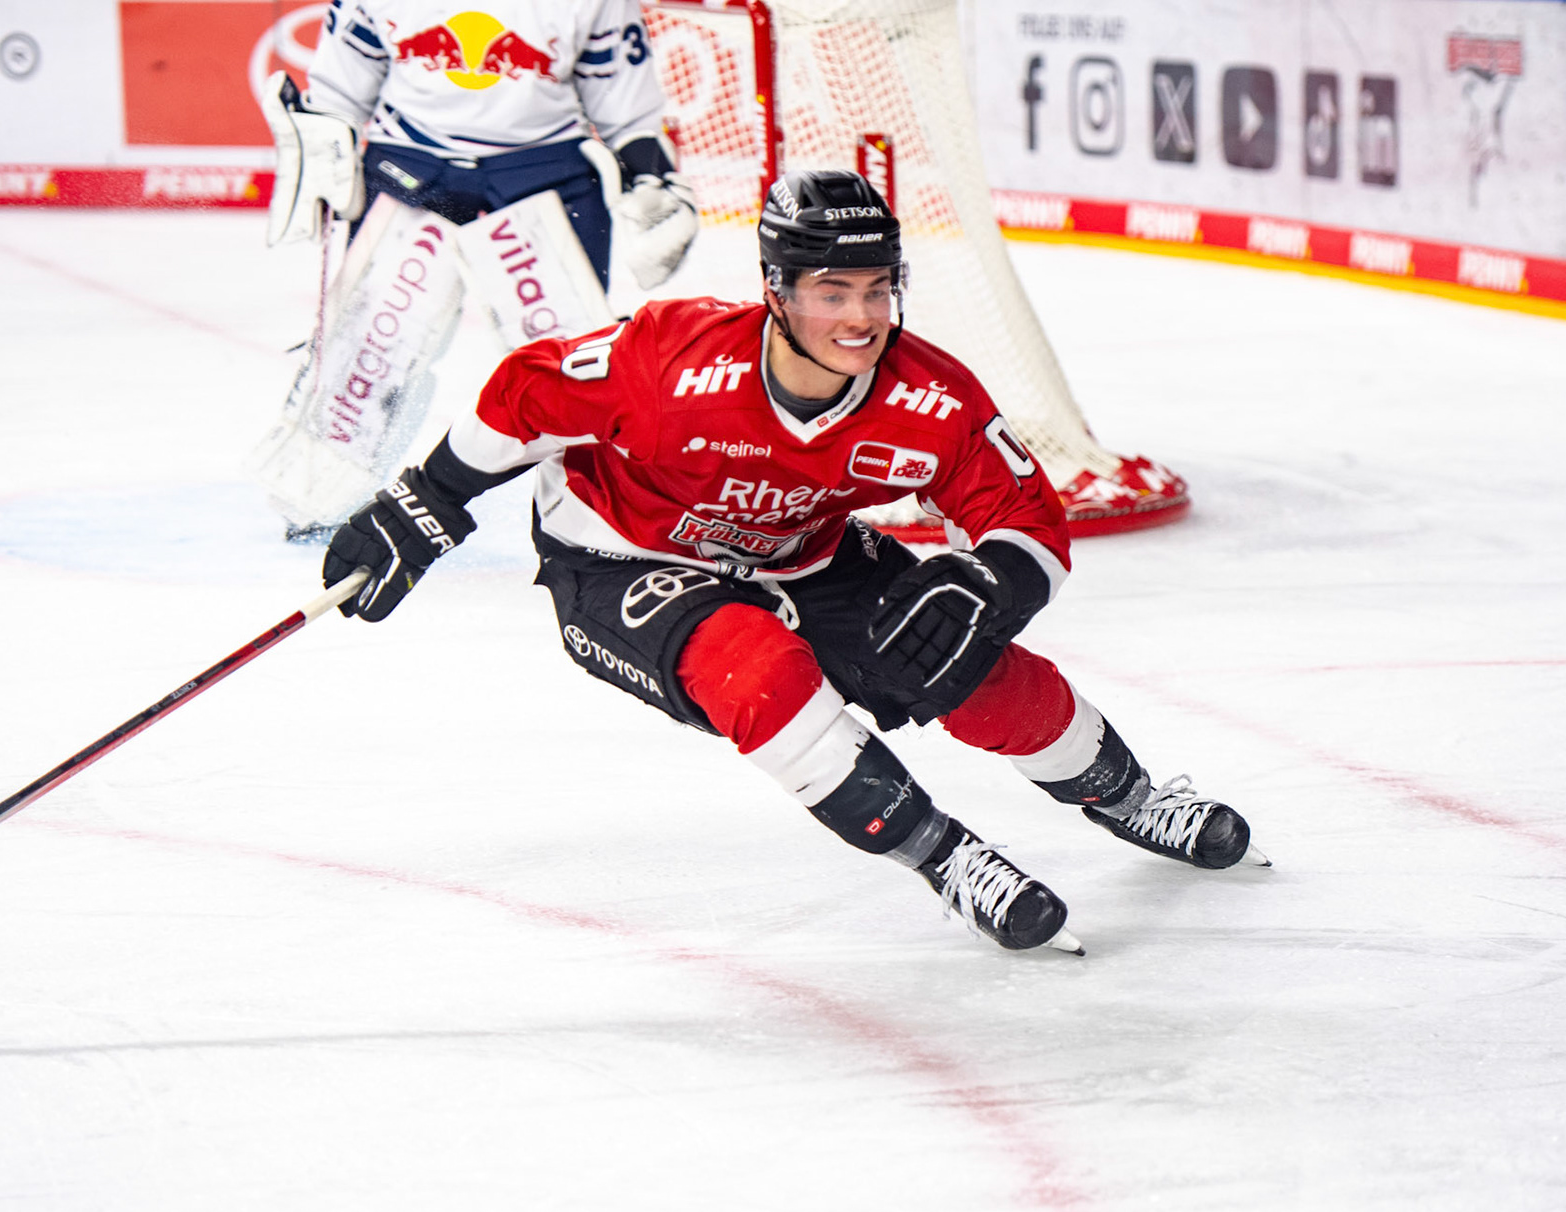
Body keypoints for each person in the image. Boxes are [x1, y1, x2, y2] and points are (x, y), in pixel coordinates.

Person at [320, 170, 1262, 954]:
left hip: (806, 554)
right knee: (763, 676)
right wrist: (431, 497)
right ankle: (946, 858)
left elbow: (1023, 514)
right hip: (623, 556)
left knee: (969, 664)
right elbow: (527, 393)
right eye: (830, 293)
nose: (860, 319)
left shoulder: (927, 395)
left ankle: (1131, 799)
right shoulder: (671, 360)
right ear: (776, 290)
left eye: (876, 290)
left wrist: (989, 581)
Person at [273, 0, 696, 290]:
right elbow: (338, 93)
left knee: (566, 361)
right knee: (366, 353)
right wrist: (318, 154)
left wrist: (654, 181)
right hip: (410, 162)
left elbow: (628, 111)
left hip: (545, 167)